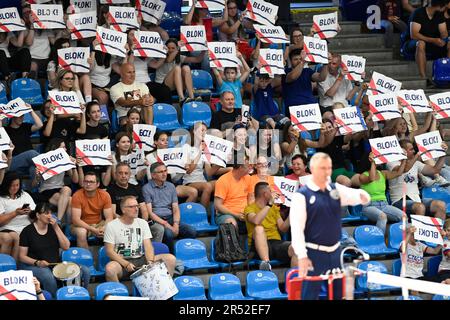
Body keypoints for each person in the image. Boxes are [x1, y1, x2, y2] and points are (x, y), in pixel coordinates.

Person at [290, 152, 371, 300]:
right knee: (309, 295)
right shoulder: (301, 196)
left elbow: (357, 195)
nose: (327, 172)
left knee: (338, 294)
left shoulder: (335, 189)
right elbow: (296, 229)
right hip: (313, 253)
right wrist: (301, 255)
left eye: (329, 168)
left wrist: (362, 195)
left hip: (335, 252)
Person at [18, 202, 90, 297]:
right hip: (33, 265)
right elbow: (21, 256)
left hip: (54, 264)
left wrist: (56, 227)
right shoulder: (27, 231)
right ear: (38, 215)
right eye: (46, 213)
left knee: (84, 270)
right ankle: (55, 297)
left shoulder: (54, 227)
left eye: (50, 213)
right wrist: (37, 262)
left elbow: (66, 246)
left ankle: (81, 296)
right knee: (47, 276)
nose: (49, 216)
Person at [103, 196, 176, 282]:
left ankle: (165, 290)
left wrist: (150, 262)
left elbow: (148, 246)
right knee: (110, 268)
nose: (136, 209)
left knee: (170, 259)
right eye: (131, 207)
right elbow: (109, 251)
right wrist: (126, 264)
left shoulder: (142, 223)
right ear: (123, 210)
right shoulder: (112, 225)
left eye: (137, 206)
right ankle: (117, 294)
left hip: (141, 259)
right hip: (121, 262)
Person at [387, 139, 448, 220]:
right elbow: (404, 169)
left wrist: (442, 154)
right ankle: (417, 232)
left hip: (417, 200)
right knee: (420, 207)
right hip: (399, 201)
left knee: (441, 205)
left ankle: (439, 231)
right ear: (402, 151)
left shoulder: (416, 163)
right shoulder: (391, 163)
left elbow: (435, 170)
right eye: (411, 149)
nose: (414, 151)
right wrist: (417, 155)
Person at [142, 163, 197, 251]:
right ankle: (171, 256)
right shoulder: (146, 188)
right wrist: (167, 225)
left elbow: (175, 208)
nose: (164, 174)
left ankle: (184, 252)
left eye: (165, 171)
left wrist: (175, 224)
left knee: (191, 231)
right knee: (169, 234)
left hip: (170, 218)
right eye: (160, 172)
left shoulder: (171, 186)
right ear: (153, 175)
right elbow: (150, 213)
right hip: (157, 220)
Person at [244, 182, 296, 271]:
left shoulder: (274, 208)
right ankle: (266, 263)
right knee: (259, 229)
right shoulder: (249, 208)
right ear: (265, 194)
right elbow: (256, 220)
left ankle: (296, 281)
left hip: (275, 243)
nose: (273, 193)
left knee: (297, 249)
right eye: (270, 191)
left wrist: (293, 213)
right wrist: (269, 204)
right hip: (257, 246)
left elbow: (283, 228)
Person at [107, 162, 164, 242]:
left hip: (139, 222)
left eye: (126, 173)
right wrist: (127, 223)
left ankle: (152, 252)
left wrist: (141, 224)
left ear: (130, 174)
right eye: (120, 173)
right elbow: (113, 213)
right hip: (122, 223)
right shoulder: (110, 191)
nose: (123, 176)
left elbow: (144, 210)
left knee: (158, 229)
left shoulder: (137, 188)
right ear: (116, 174)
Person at [359, 152, 406, 235]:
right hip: (369, 206)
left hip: (384, 205)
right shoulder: (362, 176)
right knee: (382, 216)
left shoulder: (383, 173)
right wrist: (373, 162)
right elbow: (372, 178)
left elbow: (399, 173)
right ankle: (378, 242)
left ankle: (398, 240)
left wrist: (404, 159)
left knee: (403, 216)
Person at [32, 138, 78, 222]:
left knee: (67, 189)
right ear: (56, 148)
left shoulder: (65, 160)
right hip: (47, 190)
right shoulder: (44, 161)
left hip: (61, 189)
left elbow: (75, 180)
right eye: (63, 147)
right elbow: (34, 185)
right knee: (70, 201)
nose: (66, 149)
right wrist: (37, 176)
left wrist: (74, 167)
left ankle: (58, 220)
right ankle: (66, 226)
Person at [403, 0, 450, 79]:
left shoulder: (439, 14)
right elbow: (414, 35)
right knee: (421, 43)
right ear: (440, 6)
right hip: (412, 43)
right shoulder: (418, 13)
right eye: (445, 6)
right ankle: (423, 77)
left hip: (431, 43)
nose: (446, 8)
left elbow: (444, 33)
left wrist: (444, 40)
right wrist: (433, 40)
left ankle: (447, 74)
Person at [71, 171, 114, 248]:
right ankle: (86, 259)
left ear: (97, 184)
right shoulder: (77, 195)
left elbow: (109, 217)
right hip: (81, 225)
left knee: (112, 229)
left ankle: (112, 257)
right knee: (81, 232)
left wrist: (104, 228)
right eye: (86, 181)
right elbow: (76, 220)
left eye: (91, 182)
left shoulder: (105, 195)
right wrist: (92, 229)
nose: (88, 184)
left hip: (99, 223)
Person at [0, 171, 36, 261]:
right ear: (6, 185)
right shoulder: (1, 198)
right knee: (15, 237)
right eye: (12, 185)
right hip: (7, 228)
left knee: (23, 234)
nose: (15, 188)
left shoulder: (25, 195)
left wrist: (30, 212)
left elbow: (36, 215)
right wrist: (15, 213)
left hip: (26, 227)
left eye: (17, 185)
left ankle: (14, 267)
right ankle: (9, 267)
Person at [282, 48, 328, 115]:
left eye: (300, 59)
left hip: (311, 106)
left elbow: (321, 78)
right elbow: (293, 77)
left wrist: (325, 63)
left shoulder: (307, 71)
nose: (298, 61)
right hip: (294, 107)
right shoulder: (286, 72)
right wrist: (303, 61)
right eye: (295, 59)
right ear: (291, 61)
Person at [5, 106, 43, 182]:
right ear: (13, 116)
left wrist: (31, 110)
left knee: (34, 169)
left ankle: (35, 192)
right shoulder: (5, 130)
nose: (22, 118)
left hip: (28, 162)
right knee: (31, 153)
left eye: (22, 116)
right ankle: (48, 164)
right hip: (13, 162)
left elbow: (40, 125)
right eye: (19, 116)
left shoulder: (25, 126)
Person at [214, 158, 252, 232]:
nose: (251, 168)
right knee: (231, 224)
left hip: (245, 214)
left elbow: (250, 198)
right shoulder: (223, 180)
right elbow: (217, 205)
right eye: (248, 166)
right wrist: (236, 215)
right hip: (226, 214)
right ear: (241, 168)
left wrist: (250, 212)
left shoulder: (248, 178)